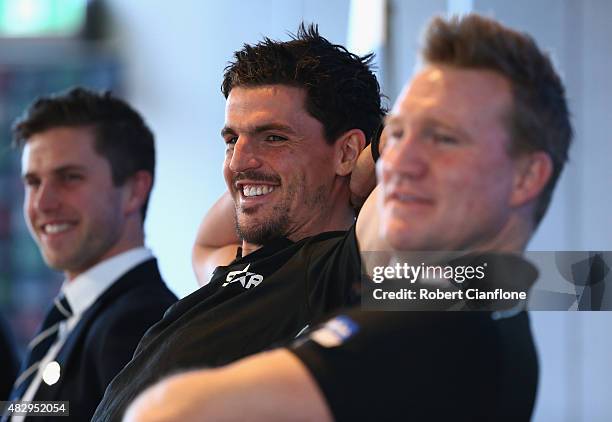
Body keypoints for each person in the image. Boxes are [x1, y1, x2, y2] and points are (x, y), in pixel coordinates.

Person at [123, 13, 572, 422]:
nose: (403, 162)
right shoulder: (241, 268)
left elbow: (572, 280)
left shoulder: (350, 276)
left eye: (444, 138)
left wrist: (365, 158)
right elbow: (205, 240)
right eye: (398, 136)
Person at [91, 24, 385, 422]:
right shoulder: (232, 270)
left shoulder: (336, 270)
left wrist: (369, 162)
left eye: (274, 138)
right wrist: (265, 179)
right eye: (232, 140)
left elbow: (430, 124)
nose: (237, 161)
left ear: (347, 150)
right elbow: (207, 241)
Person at [5, 88, 177, 422]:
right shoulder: (72, 318)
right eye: (33, 182)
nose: (42, 204)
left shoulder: (139, 324)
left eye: (69, 178)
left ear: (134, 190)